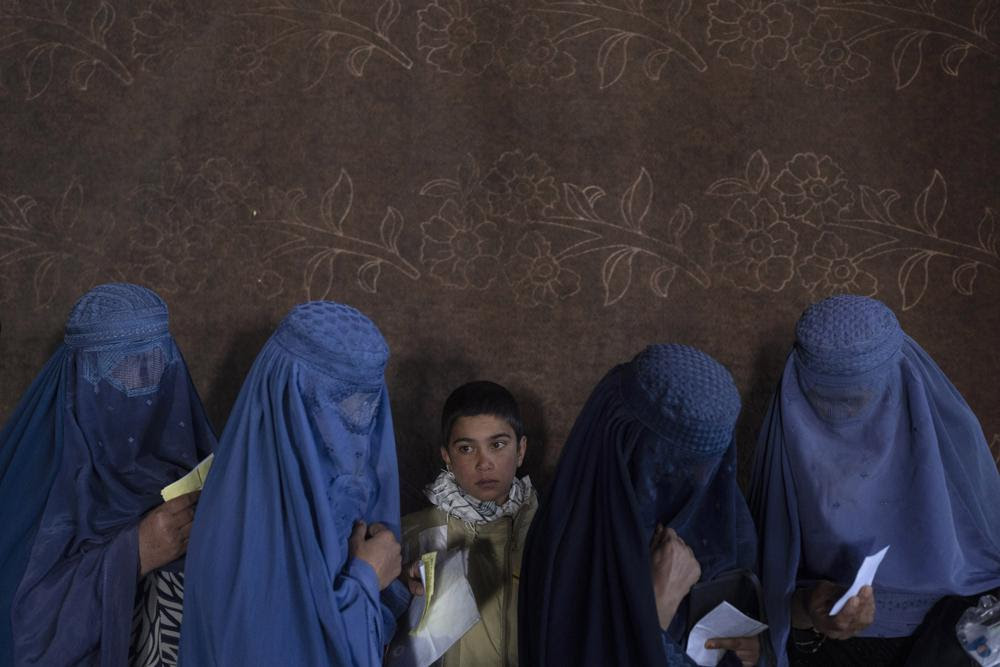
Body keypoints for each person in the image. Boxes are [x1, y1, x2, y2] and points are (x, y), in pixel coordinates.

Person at [750, 295, 1000, 665]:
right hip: (829, 644)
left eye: (861, 398)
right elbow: (762, 599)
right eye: (821, 401)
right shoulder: (784, 449)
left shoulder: (951, 442)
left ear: (903, 380)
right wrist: (810, 608)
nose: (842, 417)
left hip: (957, 636)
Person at [179, 301, 408, 666]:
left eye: (364, 405)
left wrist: (391, 588)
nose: (352, 422)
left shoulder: (342, 494)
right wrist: (366, 578)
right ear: (288, 398)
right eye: (336, 402)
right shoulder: (243, 530)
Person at [0, 283, 215, 666]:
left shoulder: (195, 467)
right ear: (81, 379)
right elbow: (20, 634)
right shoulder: (38, 484)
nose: (144, 384)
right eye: (122, 370)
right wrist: (134, 553)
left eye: (154, 363)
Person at [519, 344, 762, 666]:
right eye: (667, 466)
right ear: (625, 446)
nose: (693, 481)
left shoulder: (725, 517)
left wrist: (755, 654)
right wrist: (655, 614)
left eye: (705, 468)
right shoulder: (572, 542)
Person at [394, 381, 538, 666]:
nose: (484, 463)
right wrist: (398, 583)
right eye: (466, 449)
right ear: (447, 456)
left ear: (520, 451)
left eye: (497, 445)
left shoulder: (548, 533)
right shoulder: (413, 533)